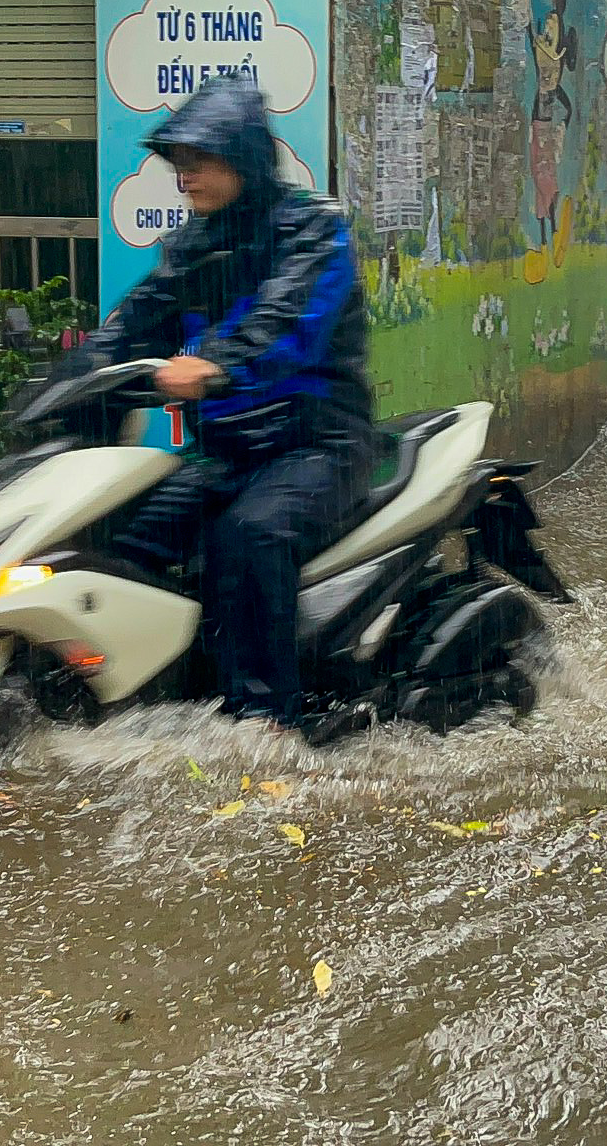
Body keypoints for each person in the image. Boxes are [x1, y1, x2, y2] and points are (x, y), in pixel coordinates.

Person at [72, 75, 380, 728]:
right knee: (123, 542)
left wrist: (214, 361)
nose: (186, 177)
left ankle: (267, 721)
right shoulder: (194, 244)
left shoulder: (315, 234)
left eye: (200, 160)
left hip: (317, 445)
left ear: (242, 156)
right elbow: (138, 319)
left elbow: (287, 324)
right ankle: (156, 698)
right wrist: (68, 376)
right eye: (179, 163)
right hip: (229, 452)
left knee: (248, 537)